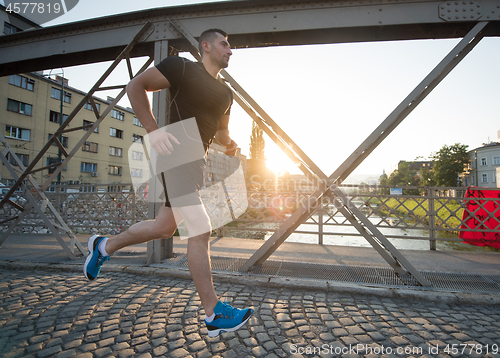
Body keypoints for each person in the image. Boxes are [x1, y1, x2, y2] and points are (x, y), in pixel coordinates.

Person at [83, 28, 253, 337]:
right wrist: (152, 129)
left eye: (231, 47)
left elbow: (222, 133)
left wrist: (230, 146)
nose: (230, 50)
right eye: (224, 44)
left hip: (195, 161)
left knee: (164, 227)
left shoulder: (226, 94)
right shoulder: (181, 68)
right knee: (200, 230)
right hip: (176, 152)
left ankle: (103, 246)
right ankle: (214, 313)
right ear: (206, 46)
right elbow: (136, 86)